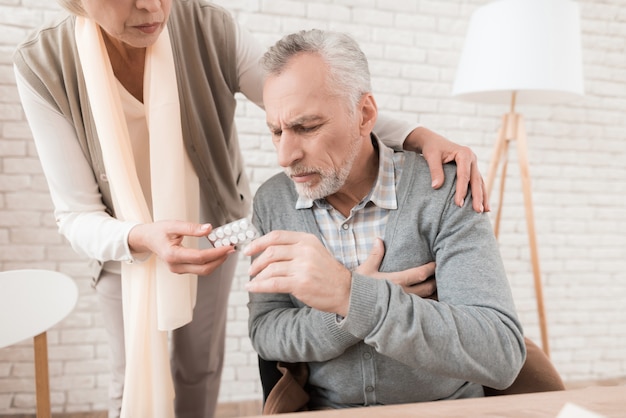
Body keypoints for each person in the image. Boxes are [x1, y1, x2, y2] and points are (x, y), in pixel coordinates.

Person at [13, 1, 487, 417]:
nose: (152, 7)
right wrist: (140, 237)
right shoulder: (42, 64)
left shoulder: (208, 26)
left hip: (209, 228)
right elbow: (74, 213)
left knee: (197, 370)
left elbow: (309, 101)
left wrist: (417, 136)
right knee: (132, 377)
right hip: (125, 240)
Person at [245, 29, 526, 411]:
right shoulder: (273, 200)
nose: (285, 155)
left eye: (306, 127)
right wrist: (349, 307)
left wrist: (351, 294)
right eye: (276, 131)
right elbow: (267, 331)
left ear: (364, 115)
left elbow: (500, 352)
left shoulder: (442, 191)